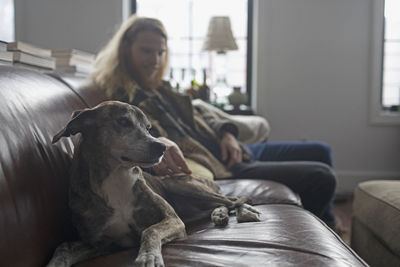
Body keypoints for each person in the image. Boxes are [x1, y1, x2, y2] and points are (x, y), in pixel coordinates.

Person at [92, 15, 340, 230]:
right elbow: (138, 137)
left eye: (161, 52)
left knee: (320, 150)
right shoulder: (124, 99)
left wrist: (227, 132)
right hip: (221, 165)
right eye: (147, 51)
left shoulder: (160, 88)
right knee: (321, 176)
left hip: (229, 148)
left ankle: (329, 223)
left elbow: (200, 114)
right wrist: (158, 139)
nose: (155, 60)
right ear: (125, 48)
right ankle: (322, 231)